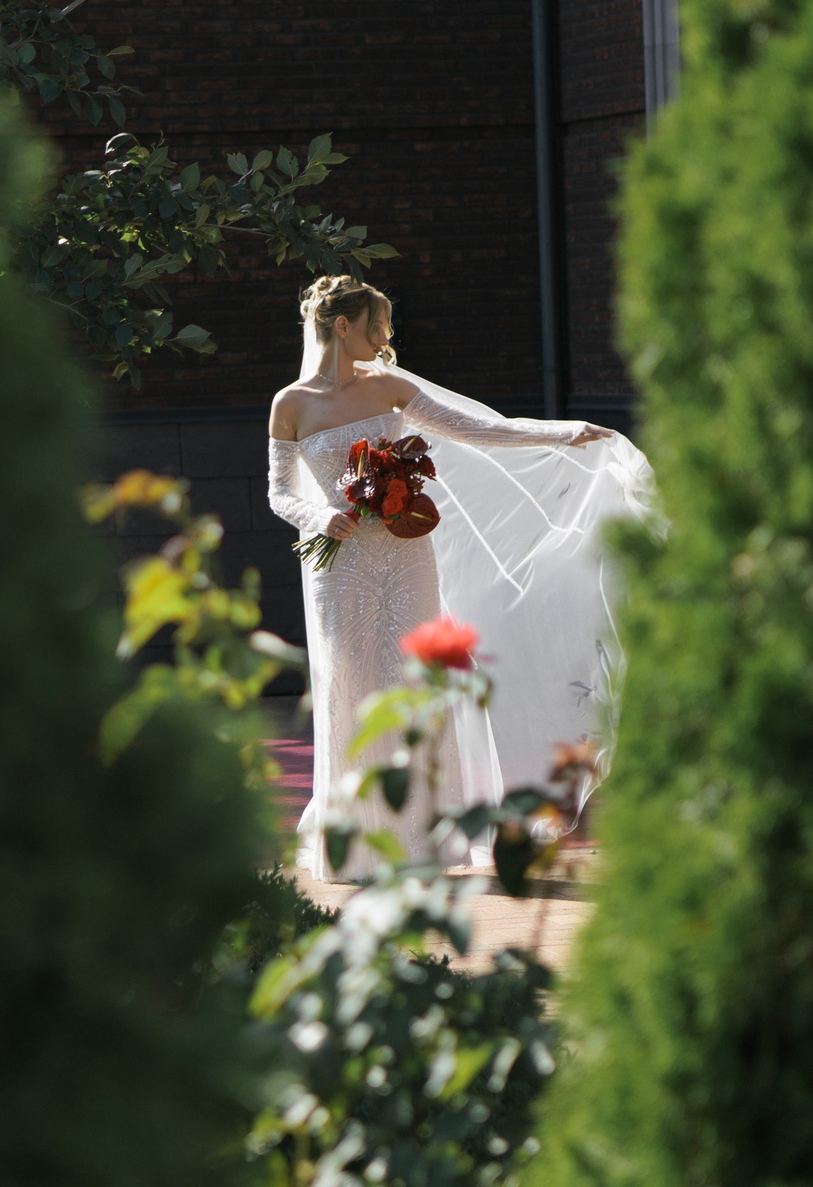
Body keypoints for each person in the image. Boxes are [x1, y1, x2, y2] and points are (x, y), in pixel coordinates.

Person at [265, 275, 653, 875]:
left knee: (416, 688)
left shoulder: (390, 385)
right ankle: (358, 843)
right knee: (350, 688)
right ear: (343, 326)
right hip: (340, 567)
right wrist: (322, 515)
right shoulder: (290, 404)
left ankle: (425, 841)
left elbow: (478, 429)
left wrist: (565, 433)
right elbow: (278, 492)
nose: (388, 336)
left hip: (404, 558)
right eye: (377, 324)